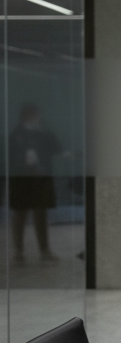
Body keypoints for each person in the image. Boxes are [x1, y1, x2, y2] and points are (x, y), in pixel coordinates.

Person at [9, 103, 63, 263]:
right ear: (25, 115)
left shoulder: (43, 133)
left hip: (40, 178)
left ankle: (44, 251)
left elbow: (56, 149)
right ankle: (19, 253)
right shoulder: (16, 134)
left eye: (36, 114)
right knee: (20, 213)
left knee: (40, 214)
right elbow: (11, 156)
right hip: (22, 178)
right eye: (32, 114)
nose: (35, 117)